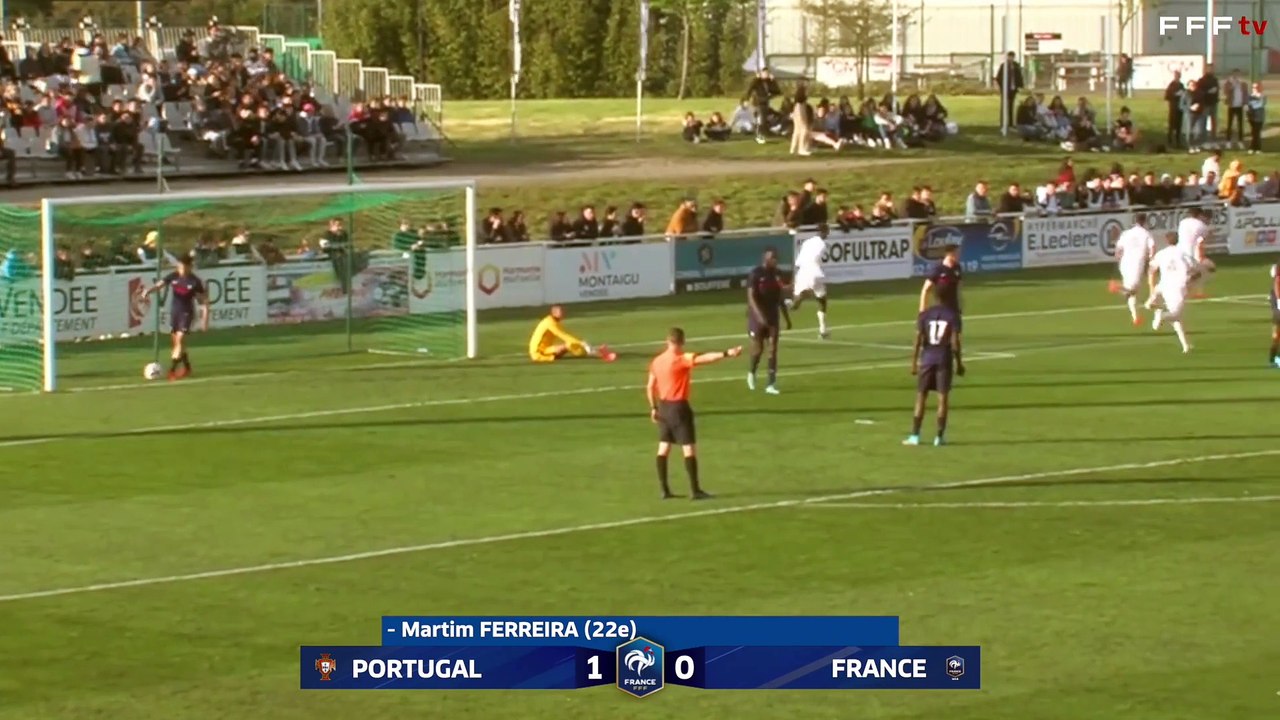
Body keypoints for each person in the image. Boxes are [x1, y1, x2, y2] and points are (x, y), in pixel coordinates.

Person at [645, 328, 742, 499]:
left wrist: (653, 408)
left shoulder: (657, 361)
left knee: (664, 446)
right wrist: (726, 353)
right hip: (679, 407)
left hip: (664, 407)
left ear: (667, 341)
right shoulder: (681, 359)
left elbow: (650, 386)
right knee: (688, 448)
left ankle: (664, 489)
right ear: (682, 342)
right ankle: (695, 490)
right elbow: (704, 358)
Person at [905, 290, 964, 447]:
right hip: (944, 359)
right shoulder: (953, 315)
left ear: (935, 298)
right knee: (942, 398)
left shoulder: (925, 314)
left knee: (921, 396)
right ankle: (939, 437)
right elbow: (955, 343)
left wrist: (913, 362)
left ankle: (915, 436)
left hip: (927, 359)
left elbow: (918, 339)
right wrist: (959, 363)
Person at [141, 253, 210, 380]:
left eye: (184, 268)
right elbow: (160, 285)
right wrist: (148, 291)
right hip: (175, 312)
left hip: (187, 313)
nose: (181, 270)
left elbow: (204, 302)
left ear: (190, 267)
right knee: (178, 343)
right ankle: (187, 367)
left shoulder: (195, 282)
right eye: (180, 267)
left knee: (180, 340)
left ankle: (171, 371)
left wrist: (204, 320)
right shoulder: (174, 276)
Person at [1145, 232, 1194, 353]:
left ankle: (1186, 345)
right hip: (1177, 286)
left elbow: (1151, 270)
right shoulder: (1183, 253)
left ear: (1167, 241)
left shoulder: (1161, 254)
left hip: (1163, 285)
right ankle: (1161, 314)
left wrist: (1152, 289)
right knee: (1175, 314)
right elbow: (1193, 268)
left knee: (1176, 319)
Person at [746, 247, 785, 394]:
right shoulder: (756, 274)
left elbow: (779, 297)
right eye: (773, 257)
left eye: (776, 257)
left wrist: (786, 317)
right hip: (757, 318)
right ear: (766, 258)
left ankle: (771, 384)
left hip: (773, 316)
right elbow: (751, 297)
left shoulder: (778, 274)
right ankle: (752, 372)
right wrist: (759, 316)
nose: (776, 260)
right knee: (758, 348)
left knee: (773, 349)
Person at [1109, 212, 1155, 326]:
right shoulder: (1146, 234)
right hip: (1137, 263)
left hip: (1125, 262)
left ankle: (1136, 317)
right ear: (1145, 221)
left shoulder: (1126, 233)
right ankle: (1117, 288)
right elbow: (1152, 248)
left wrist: (1118, 259)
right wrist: (1151, 260)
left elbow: (1118, 249)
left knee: (1133, 292)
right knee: (1132, 289)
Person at [527, 305, 615, 363]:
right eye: (560, 312)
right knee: (569, 345)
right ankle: (596, 354)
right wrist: (581, 342)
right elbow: (563, 335)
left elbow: (565, 334)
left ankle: (594, 351)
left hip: (544, 349)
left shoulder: (552, 321)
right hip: (538, 353)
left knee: (567, 346)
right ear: (554, 313)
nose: (563, 314)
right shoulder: (550, 323)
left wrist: (579, 342)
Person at [785, 226, 830, 338]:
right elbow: (816, 258)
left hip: (803, 272)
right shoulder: (822, 244)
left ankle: (787, 303)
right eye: (827, 232)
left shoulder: (807, 243)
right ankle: (822, 329)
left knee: (797, 303)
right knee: (821, 300)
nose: (827, 234)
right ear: (823, 232)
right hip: (814, 272)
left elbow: (798, 262)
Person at [1176, 207, 1214, 297]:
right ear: (1200, 215)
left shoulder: (1183, 222)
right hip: (1192, 252)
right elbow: (1202, 240)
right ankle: (1196, 291)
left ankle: (1192, 290)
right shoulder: (1201, 225)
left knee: (1189, 273)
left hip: (1179, 250)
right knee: (1206, 270)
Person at [918, 244, 961, 314]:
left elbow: (958, 287)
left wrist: (960, 305)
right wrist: (922, 308)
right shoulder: (937, 269)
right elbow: (925, 289)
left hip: (954, 309)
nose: (959, 255)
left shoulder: (957, 268)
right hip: (941, 309)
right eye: (957, 253)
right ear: (950, 254)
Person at [1269, 261, 1279, 368]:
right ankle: (1274, 359)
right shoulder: (1274, 292)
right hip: (1278, 314)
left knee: (1276, 336)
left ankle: (1274, 359)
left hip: (1277, 315)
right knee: (1276, 336)